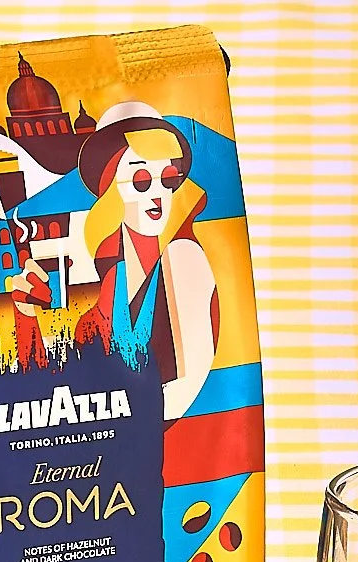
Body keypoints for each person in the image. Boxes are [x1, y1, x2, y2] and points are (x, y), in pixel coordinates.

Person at [14, 102, 218, 421]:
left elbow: (184, 391)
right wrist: (27, 315)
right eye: (140, 180)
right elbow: (57, 385)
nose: (157, 194)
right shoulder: (112, 283)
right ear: (112, 190)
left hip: (171, 452)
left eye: (168, 178)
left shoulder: (184, 258)